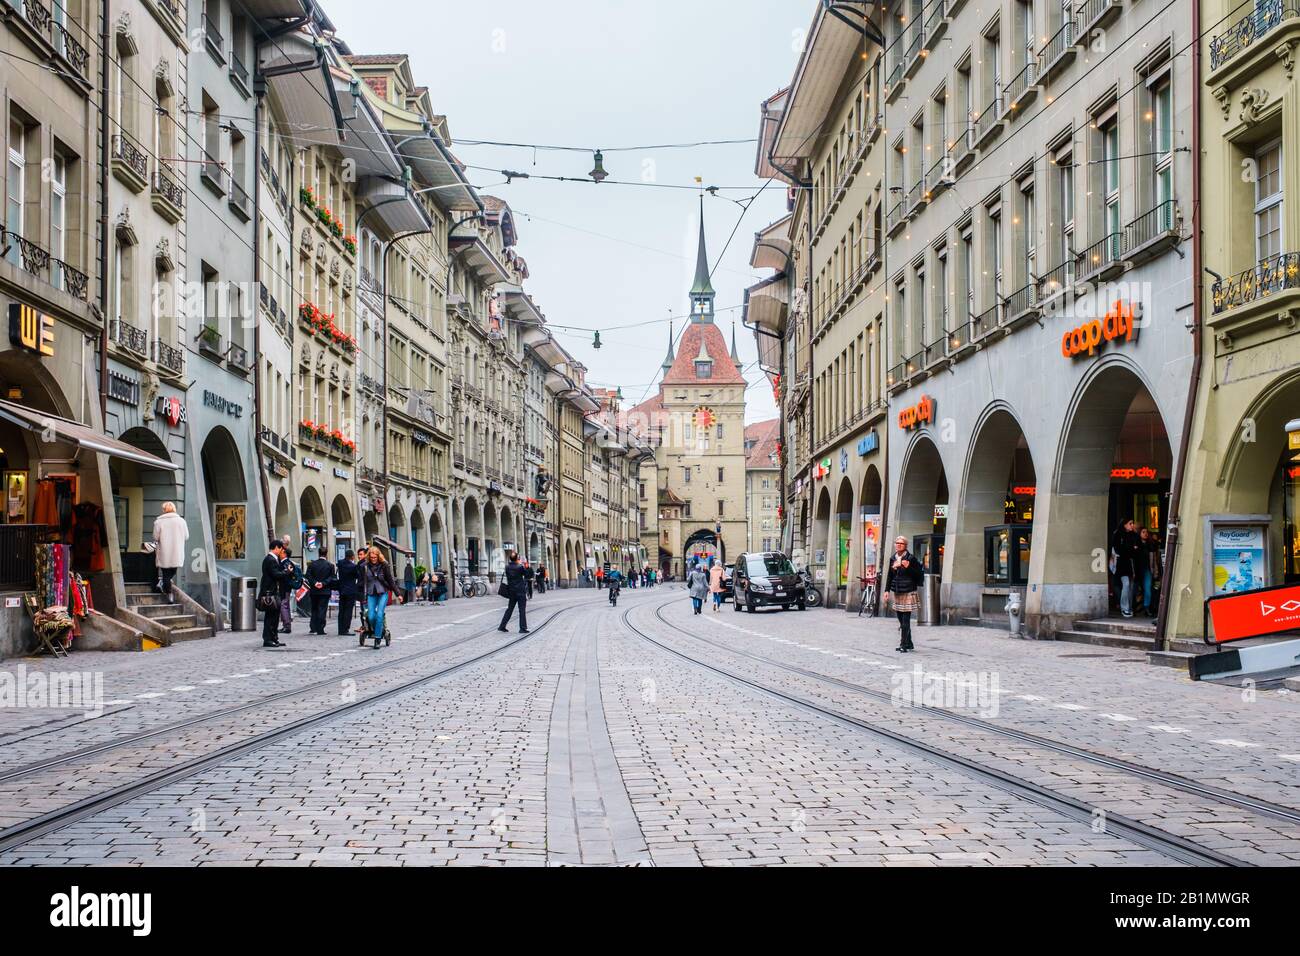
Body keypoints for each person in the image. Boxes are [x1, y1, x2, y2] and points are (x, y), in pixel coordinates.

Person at [883, 536, 924, 652]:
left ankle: (903, 644)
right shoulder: (893, 558)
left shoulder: (911, 558)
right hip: (898, 591)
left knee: (906, 620)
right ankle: (909, 642)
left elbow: (918, 575)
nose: (898, 545)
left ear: (905, 546)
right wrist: (886, 590)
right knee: (901, 619)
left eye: (901, 543)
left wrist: (908, 567)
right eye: (897, 543)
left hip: (908, 591)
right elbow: (890, 576)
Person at [361, 546, 400, 649]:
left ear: (378, 556)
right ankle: (379, 629)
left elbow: (391, 581)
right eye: (372, 557)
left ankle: (377, 638)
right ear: (369, 556)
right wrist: (363, 596)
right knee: (371, 616)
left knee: (379, 615)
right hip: (371, 593)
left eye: (375, 557)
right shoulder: (365, 566)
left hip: (383, 592)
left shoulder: (384, 565)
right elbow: (364, 582)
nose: (373, 559)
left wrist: (398, 594)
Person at [151, 501, 188, 604]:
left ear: (164, 510)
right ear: (174, 509)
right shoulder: (181, 521)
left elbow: (155, 537)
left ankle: (164, 586)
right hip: (176, 550)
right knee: (172, 572)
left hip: (164, 551)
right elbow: (186, 536)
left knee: (166, 573)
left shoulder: (158, 522)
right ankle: (169, 593)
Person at [259, 540, 291, 648]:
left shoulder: (273, 559)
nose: (281, 551)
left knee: (275, 616)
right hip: (270, 593)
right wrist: (286, 572)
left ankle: (274, 638)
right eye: (281, 549)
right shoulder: (270, 559)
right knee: (271, 617)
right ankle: (268, 639)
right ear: (276, 547)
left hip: (273, 592)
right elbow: (276, 574)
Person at [1110, 518, 1142, 618]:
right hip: (1121, 564)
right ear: (1124, 525)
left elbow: (1138, 549)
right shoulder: (1118, 534)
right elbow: (1118, 549)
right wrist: (1131, 550)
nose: (1132, 525)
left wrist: (1131, 550)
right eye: (1130, 523)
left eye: (1133, 523)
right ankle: (1124, 608)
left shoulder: (1134, 535)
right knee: (1126, 584)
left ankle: (1128, 608)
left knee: (1131, 586)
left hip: (1131, 564)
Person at [305, 551, 336, 635]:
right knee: (322, 609)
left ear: (318, 553)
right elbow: (332, 578)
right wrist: (323, 583)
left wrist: (315, 583)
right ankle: (320, 628)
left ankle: (313, 627)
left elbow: (308, 575)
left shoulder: (312, 564)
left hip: (314, 591)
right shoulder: (330, 565)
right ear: (326, 554)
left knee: (314, 609)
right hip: (325, 591)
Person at [498, 550, 529, 633]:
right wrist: (525, 566)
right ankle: (522, 628)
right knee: (522, 610)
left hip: (511, 591)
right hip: (520, 591)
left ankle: (502, 626)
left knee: (510, 609)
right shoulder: (520, 567)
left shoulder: (507, 567)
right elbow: (527, 575)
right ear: (517, 559)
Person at [334, 549, 360, 635]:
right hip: (350, 590)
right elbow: (357, 576)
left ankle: (340, 629)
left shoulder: (340, 564)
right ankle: (345, 629)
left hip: (342, 589)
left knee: (341, 610)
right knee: (348, 611)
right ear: (352, 557)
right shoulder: (353, 566)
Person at [1139, 528, 1163, 620]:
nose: (1145, 534)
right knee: (1134, 589)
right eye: (1143, 532)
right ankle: (1133, 606)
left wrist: (1155, 572)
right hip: (1136, 570)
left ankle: (1146, 607)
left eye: (1146, 532)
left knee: (1148, 588)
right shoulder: (1135, 543)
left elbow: (1154, 561)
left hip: (1147, 569)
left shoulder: (1150, 545)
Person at [279, 547, 302, 633]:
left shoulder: (285, 563)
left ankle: (286, 626)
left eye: (281, 552)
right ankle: (287, 625)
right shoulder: (289, 562)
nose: (279, 553)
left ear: (284, 553)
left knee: (284, 606)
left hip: (284, 587)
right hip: (287, 587)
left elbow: (284, 576)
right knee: (286, 605)